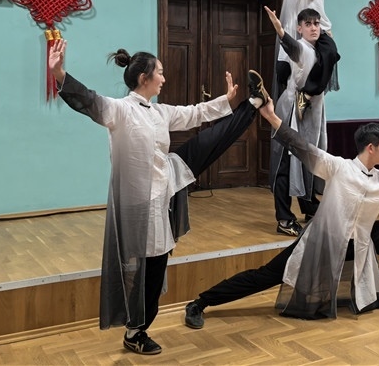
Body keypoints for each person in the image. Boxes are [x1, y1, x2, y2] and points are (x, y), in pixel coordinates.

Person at [48, 39, 272, 355]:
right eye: (160, 73)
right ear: (145, 78)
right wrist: (59, 74)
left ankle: (253, 103)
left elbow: (196, 113)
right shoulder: (119, 110)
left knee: (210, 141)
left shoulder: (160, 112)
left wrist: (228, 99)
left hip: (166, 181)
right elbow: (88, 99)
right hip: (140, 204)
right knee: (149, 272)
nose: (164, 79)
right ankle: (135, 331)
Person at [183, 102, 379, 327]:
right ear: (370, 148)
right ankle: (201, 301)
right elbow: (302, 146)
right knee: (267, 275)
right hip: (324, 243)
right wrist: (273, 118)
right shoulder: (338, 167)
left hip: (359, 241)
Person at [265, 6, 340, 236]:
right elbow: (291, 47)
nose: (313, 28)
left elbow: (331, 52)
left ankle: (309, 207)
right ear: (299, 28)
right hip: (293, 107)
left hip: (312, 109)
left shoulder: (322, 48)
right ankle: (284, 218)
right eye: (308, 24)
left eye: (316, 24)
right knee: (286, 162)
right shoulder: (301, 48)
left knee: (310, 158)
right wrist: (280, 31)